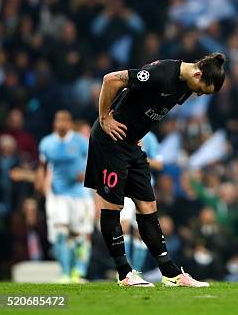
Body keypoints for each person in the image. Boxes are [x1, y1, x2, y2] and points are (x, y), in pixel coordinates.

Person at [84, 53, 226, 287]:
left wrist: (138, 133)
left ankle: (170, 273)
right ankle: (124, 273)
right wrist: (104, 118)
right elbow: (111, 80)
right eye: (202, 89)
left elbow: (144, 106)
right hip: (110, 140)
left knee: (148, 206)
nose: (199, 94)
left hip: (131, 144)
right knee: (112, 206)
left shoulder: (185, 85)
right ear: (198, 74)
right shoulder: (161, 73)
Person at [38, 110, 93, 283]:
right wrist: (41, 183)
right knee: (60, 232)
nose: (60, 124)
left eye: (64, 121)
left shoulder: (80, 142)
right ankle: (65, 273)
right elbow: (43, 165)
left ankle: (78, 271)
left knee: (78, 236)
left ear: (70, 123)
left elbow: (94, 160)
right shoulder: (47, 143)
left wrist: (86, 174)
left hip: (79, 195)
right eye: (57, 120)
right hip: (58, 195)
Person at [120, 131, 164, 273]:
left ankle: (137, 270)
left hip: (143, 187)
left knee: (141, 231)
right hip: (124, 186)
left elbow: (159, 164)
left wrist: (138, 158)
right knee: (124, 226)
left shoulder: (150, 137)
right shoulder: (121, 132)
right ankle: (125, 270)